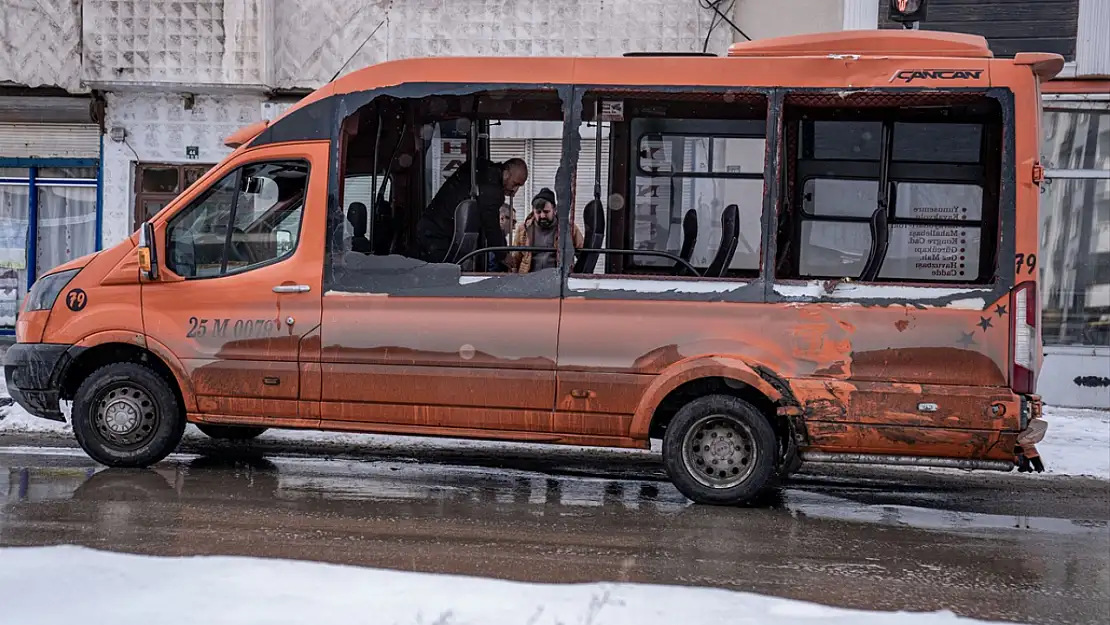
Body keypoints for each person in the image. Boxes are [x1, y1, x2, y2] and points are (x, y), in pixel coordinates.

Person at [416, 157, 528, 270]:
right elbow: (491, 224)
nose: (515, 191)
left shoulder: (482, 170)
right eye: (515, 184)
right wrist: (502, 255)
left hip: (432, 226)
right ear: (506, 173)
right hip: (439, 234)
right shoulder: (491, 188)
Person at [508, 187, 583, 274]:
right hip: (528, 280)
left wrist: (576, 275)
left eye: (546, 212)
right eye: (538, 212)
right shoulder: (523, 229)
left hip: (557, 281)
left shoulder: (569, 229)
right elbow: (515, 259)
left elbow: (583, 253)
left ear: (554, 210)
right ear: (533, 211)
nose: (542, 216)